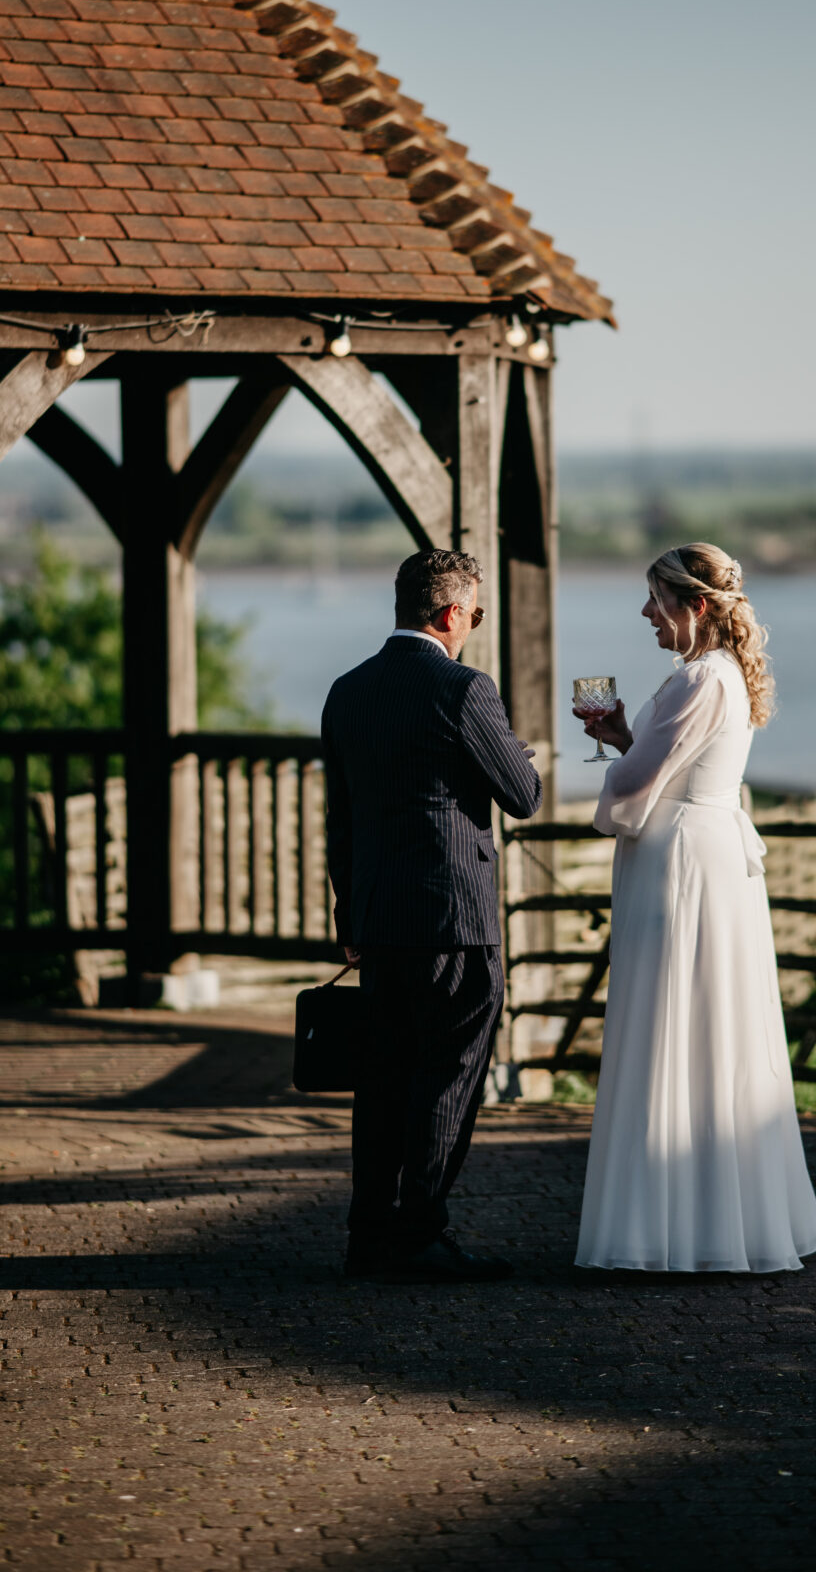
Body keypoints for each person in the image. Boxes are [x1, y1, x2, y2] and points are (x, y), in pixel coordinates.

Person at [572, 543, 816, 1273]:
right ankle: (707, 1218)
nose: (645, 612)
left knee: (674, 1021)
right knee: (705, 1024)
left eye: (656, 600)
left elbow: (637, 783)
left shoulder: (698, 678)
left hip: (680, 860)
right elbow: (668, 763)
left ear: (698, 605)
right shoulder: (716, 675)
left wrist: (615, 767)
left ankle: (670, 1227)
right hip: (701, 848)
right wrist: (625, 739)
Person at [322, 548, 542, 1282]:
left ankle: (368, 1235)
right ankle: (419, 1233)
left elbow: (340, 818)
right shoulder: (464, 688)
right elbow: (522, 796)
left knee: (382, 1079)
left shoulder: (347, 690)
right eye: (475, 613)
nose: (474, 624)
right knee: (448, 1076)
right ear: (451, 613)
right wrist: (519, 756)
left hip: (379, 916)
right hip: (455, 918)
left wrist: (349, 915)